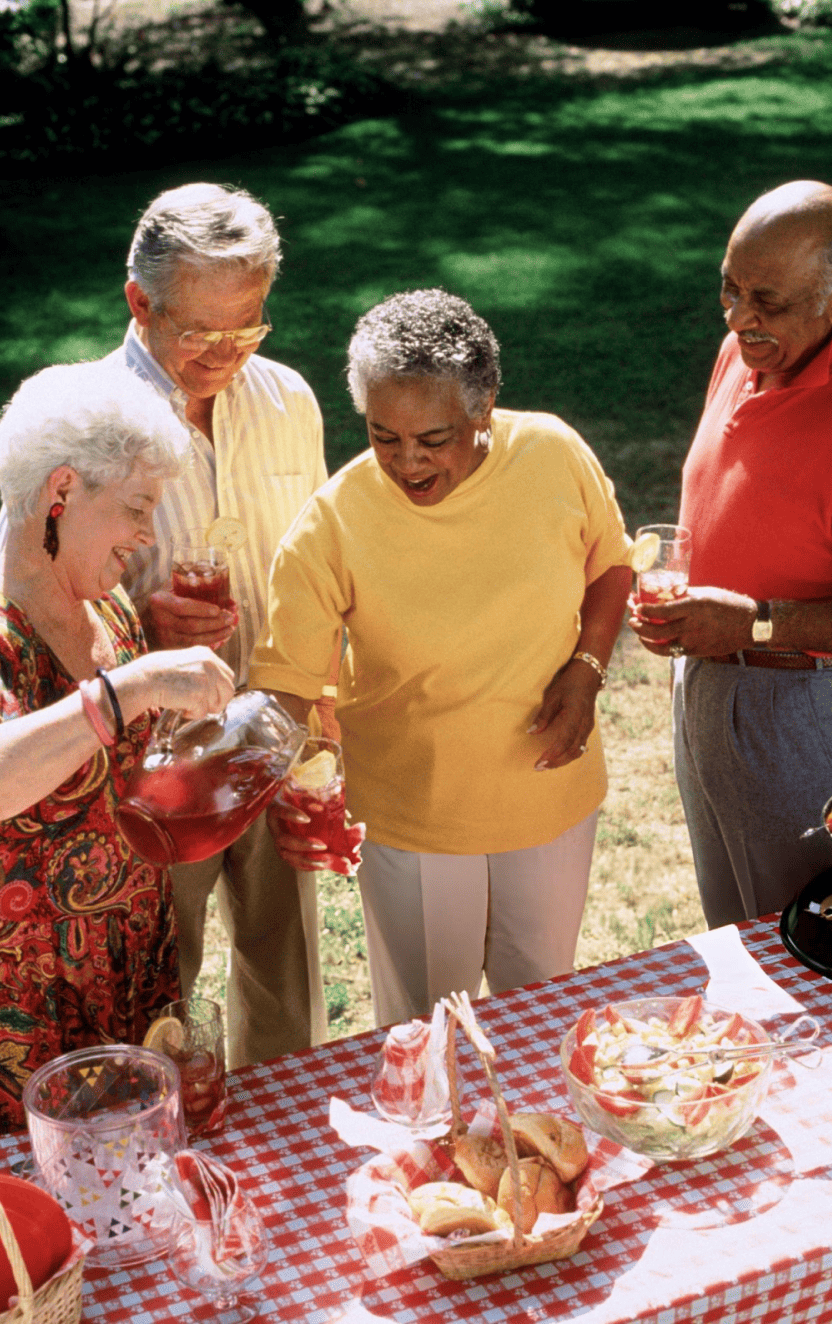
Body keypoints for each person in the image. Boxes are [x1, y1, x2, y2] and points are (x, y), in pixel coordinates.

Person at [249, 289, 633, 1026]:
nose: (407, 461)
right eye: (383, 435)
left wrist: (586, 672)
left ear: (484, 407)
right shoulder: (331, 524)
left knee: (542, 1018)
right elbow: (287, 688)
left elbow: (610, 564)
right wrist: (281, 779)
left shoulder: (552, 452)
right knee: (429, 1037)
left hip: (549, 798)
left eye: (433, 437)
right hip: (415, 821)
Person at [110, 182, 330, 1065]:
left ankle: (287, 1136)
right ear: (139, 302)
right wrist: (140, 627)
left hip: (275, 727)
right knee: (160, 971)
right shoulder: (87, 424)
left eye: (250, 328)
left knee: (287, 966)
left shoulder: (288, 402)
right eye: (201, 333)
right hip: (149, 754)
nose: (226, 356)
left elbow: (320, 565)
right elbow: (32, 606)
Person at [0, 361, 235, 1132]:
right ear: (61, 493)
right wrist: (129, 690)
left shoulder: (110, 607)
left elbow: (127, 779)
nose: (147, 536)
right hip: (24, 1018)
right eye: (138, 508)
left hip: (130, 980)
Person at [629, 179, 832, 928]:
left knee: (806, 949)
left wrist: (756, 624)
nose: (740, 317)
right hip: (710, 688)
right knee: (737, 934)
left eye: (767, 302)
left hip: (801, 710)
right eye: (729, 290)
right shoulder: (740, 353)